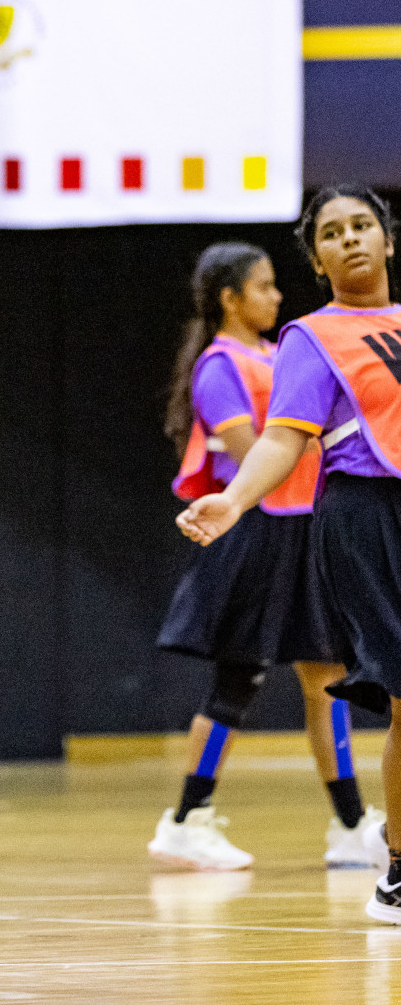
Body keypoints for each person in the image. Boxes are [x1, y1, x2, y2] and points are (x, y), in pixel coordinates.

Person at [177, 185, 401, 923]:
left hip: (317, 528)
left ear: (388, 239)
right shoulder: (308, 340)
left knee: (320, 680)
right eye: (333, 232)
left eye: (364, 225)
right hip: (346, 521)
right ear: (318, 257)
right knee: (253, 681)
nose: (352, 239)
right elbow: (279, 440)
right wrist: (234, 500)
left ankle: (350, 824)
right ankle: (392, 864)